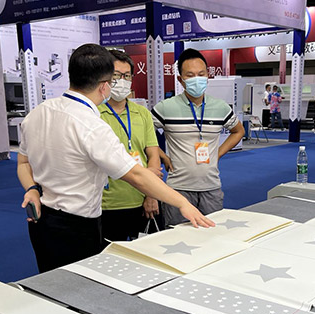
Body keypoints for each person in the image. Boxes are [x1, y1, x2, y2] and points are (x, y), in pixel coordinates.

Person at [18, 44, 213, 273]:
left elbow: (23, 162)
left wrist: (32, 188)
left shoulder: (38, 113)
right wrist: (182, 203)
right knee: (81, 284)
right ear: (104, 86)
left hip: (41, 219)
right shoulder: (91, 126)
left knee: (50, 280)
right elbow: (137, 175)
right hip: (77, 226)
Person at [151, 48, 245, 227]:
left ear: (208, 76)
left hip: (211, 186)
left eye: (201, 74)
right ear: (180, 79)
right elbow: (144, 136)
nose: (197, 79)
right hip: (177, 189)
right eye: (190, 75)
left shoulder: (220, 107)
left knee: (213, 235)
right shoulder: (165, 108)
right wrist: (163, 157)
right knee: (178, 234)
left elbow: (238, 131)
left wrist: (218, 153)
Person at [98, 49, 163, 248]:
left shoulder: (142, 113)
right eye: (116, 75)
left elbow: (153, 156)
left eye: (127, 76)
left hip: (142, 199)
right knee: (109, 259)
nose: (122, 81)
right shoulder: (94, 113)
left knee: (149, 254)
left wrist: (151, 194)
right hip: (106, 203)